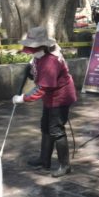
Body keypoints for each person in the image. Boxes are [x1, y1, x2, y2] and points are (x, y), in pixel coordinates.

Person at [12, 26, 78, 178]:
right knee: (45, 127)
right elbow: (38, 75)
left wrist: (22, 98)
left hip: (60, 97)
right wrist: (30, 72)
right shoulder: (41, 56)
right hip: (50, 97)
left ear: (41, 46)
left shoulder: (50, 61)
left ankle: (65, 165)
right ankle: (44, 160)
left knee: (56, 129)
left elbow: (42, 87)